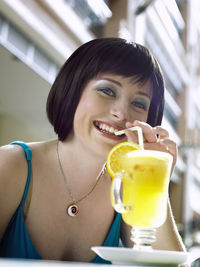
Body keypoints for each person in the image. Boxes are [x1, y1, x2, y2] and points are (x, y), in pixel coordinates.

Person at [0, 38, 186, 262]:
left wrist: (156, 180)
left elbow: (169, 266)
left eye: (138, 103)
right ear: (73, 90)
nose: (121, 113)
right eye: (107, 90)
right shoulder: (11, 165)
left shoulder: (127, 188)